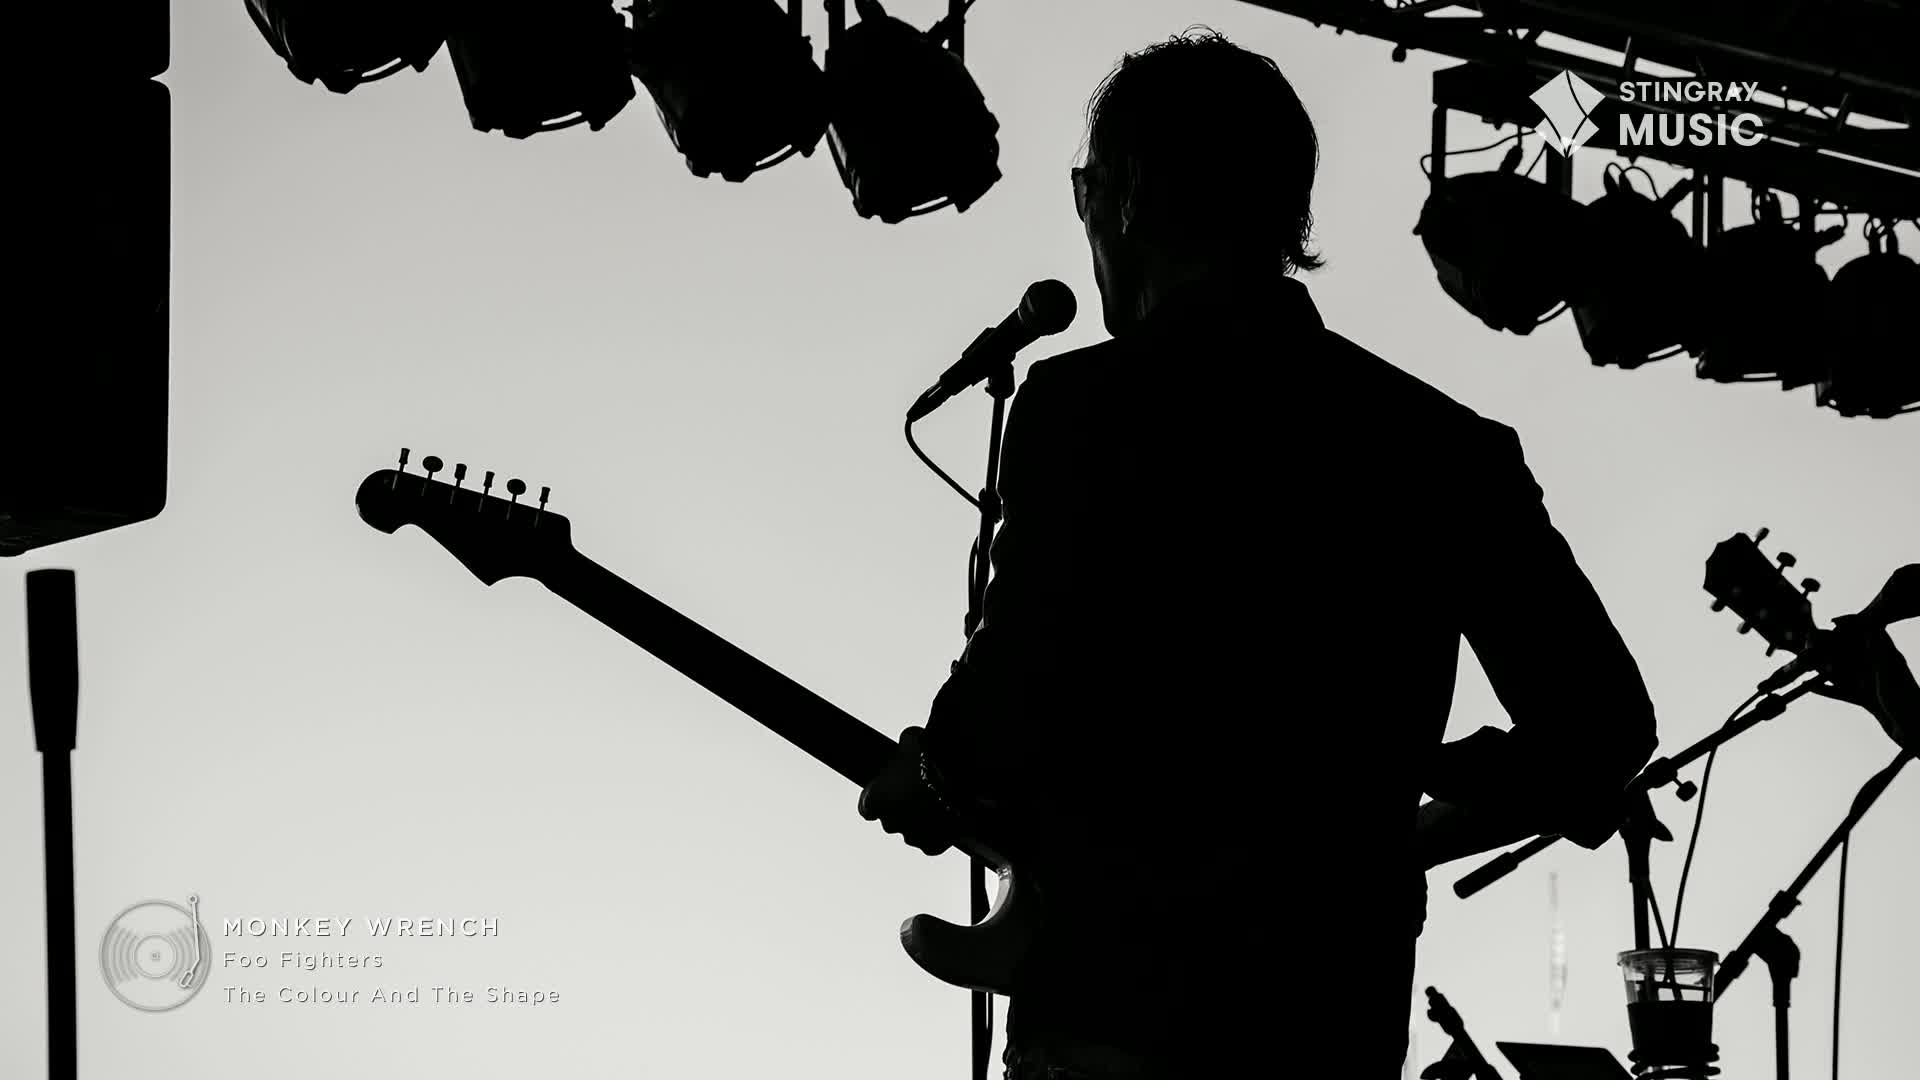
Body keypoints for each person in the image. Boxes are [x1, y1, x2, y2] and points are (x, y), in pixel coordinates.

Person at [859, 29, 1658, 1079]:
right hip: (1331, 1027)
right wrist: (1401, 812)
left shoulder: (1085, 410)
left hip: (1118, 1022)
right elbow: (1603, 731)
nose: (1088, 214)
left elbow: (1000, 725)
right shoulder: (1444, 448)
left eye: (1087, 186)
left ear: (1132, 191)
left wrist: (936, 775)